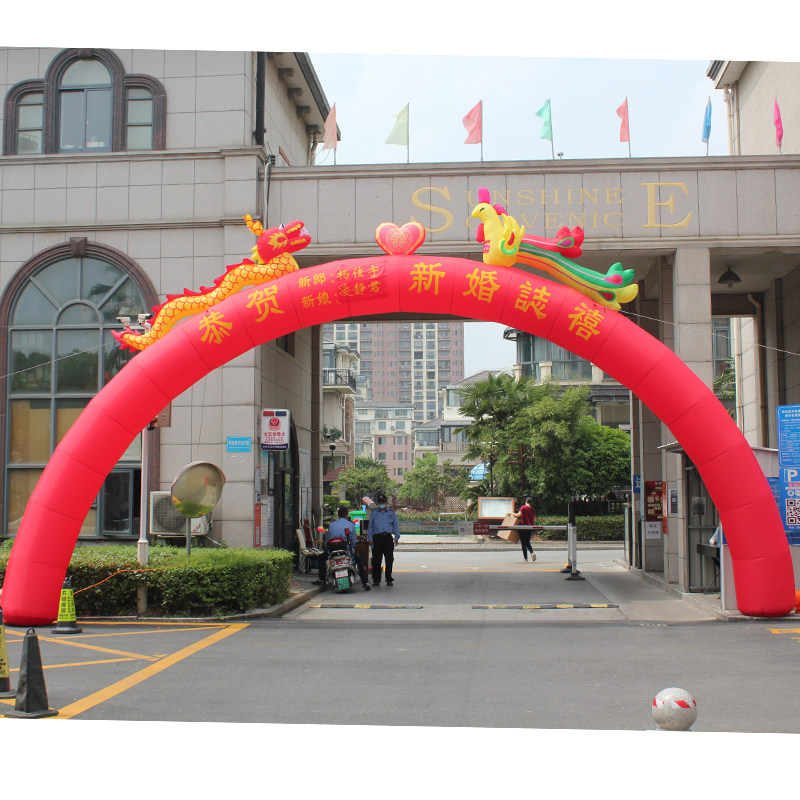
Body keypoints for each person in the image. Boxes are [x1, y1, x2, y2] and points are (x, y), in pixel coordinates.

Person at [313, 507, 371, 590]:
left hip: (332, 551)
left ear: (338, 515)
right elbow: (353, 541)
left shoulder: (332, 525)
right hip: (346, 551)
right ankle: (365, 582)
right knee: (359, 560)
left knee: (321, 558)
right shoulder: (350, 525)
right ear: (346, 515)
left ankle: (322, 579)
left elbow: (327, 540)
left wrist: (327, 549)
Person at [368, 492, 400, 586]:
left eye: (383, 501)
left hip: (387, 537)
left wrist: (396, 537)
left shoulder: (391, 513)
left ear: (386, 502)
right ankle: (376, 579)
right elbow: (370, 526)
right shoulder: (374, 513)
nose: (381, 503)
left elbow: (395, 525)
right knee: (376, 560)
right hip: (377, 538)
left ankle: (388, 578)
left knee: (389, 559)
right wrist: (370, 538)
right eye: (380, 502)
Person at [512, 496, 537, 562]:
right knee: (527, 542)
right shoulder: (533, 510)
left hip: (522, 527)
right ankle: (532, 553)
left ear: (526, 502)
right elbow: (534, 520)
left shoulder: (523, 507)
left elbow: (518, 515)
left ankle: (525, 558)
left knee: (523, 543)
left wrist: (511, 513)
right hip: (529, 528)